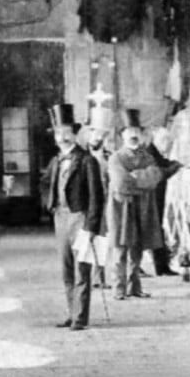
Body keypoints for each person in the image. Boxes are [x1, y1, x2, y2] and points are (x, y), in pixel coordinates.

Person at [43, 104, 104, 331]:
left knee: (82, 269)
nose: (63, 137)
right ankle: (72, 312)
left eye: (67, 133)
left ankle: (80, 317)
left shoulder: (88, 161)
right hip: (61, 217)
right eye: (59, 133)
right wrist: (50, 205)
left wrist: (91, 226)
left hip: (80, 217)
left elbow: (97, 197)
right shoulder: (57, 160)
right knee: (66, 269)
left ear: (75, 134)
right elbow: (47, 184)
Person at [106, 109, 170, 301]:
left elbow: (155, 178)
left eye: (137, 131)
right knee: (120, 248)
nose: (133, 135)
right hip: (121, 208)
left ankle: (135, 287)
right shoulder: (116, 158)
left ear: (142, 135)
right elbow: (120, 183)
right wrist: (142, 183)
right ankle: (119, 288)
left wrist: (136, 179)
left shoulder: (148, 157)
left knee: (137, 248)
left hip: (141, 208)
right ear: (122, 134)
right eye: (129, 131)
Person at [84, 105, 115, 288]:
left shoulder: (109, 156)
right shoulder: (82, 156)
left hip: (105, 203)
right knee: (86, 241)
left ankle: (99, 278)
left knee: (102, 240)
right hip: (87, 204)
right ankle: (85, 277)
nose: (99, 137)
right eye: (96, 133)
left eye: (102, 135)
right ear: (90, 133)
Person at [144, 126, 181, 276]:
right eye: (169, 144)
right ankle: (161, 267)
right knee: (155, 231)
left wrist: (174, 164)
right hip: (151, 200)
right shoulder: (150, 154)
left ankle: (162, 267)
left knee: (157, 230)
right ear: (162, 141)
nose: (170, 147)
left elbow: (164, 163)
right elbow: (160, 172)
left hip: (154, 200)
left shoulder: (153, 152)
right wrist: (175, 166)